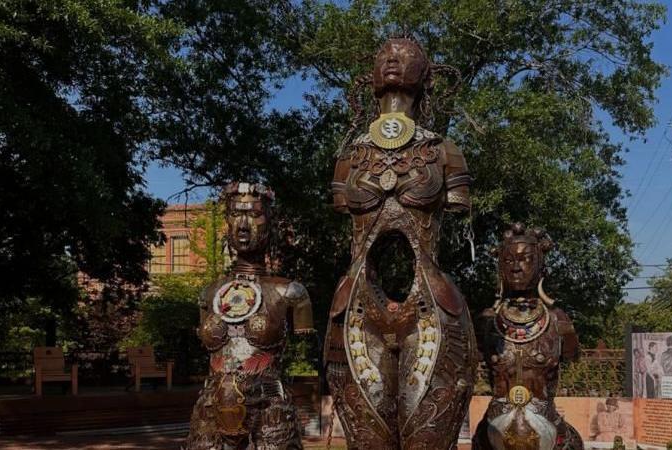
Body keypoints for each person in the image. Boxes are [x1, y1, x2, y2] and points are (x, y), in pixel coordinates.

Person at [324, 36, 476, 449]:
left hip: (430, 307)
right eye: (384, 55)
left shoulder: (443, 151)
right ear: (371, 74)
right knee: (368, 440)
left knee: (426, 437)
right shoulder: (350, 157)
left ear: (425, 76)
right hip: (357, 306)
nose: (392, 58)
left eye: (406, 55)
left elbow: (458, 204)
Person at [185, 182, 314, 450]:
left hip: (270, 412)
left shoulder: (290, 292)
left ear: (271, 222)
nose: (243, 225)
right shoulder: (208, 294)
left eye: (254, 215)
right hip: (210, 413)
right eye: (235, 214)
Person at [472, 224, 583, 450]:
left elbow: (573, 356)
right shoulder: (485, 322)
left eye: (525, 259)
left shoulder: (558, 322)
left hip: (548, 433)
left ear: (541, 267)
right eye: (508, 260)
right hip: (494, 435)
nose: (516, 268)